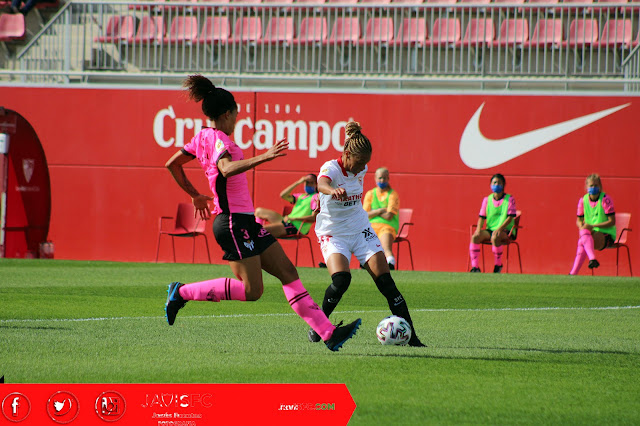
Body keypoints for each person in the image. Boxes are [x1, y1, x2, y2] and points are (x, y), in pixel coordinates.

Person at [163, 74, 361, 352]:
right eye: (235, 116)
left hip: (243, 221)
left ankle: (328, 333)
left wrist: (195, 195)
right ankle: (180, 292)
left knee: (288, 271)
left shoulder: (201, 138)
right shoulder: (220, 140)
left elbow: (172, 164)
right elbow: (226, 169)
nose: (236, 121)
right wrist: (265, 156)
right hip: (232, 222)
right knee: (252, 291)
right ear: (226, 114)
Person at [307, 121, 425, 347]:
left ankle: (412, 338)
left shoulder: (360, 167)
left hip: (360, 229)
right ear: (347, 154)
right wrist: (332, 191)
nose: (362, 168)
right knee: (341, 280)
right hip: (334, 233)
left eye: (366, 163)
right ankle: (318, 325)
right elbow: (322, 183)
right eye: (359, 162)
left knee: (386, 282)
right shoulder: (331, 168)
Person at [469, 173, 517, 273]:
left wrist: (499, 229)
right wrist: (478, 230)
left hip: (505, 231)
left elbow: (510, 217)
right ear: (490, 184)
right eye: (494, 183)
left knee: (495, 237)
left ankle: (498, 265)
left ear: (503, 185)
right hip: (490, 230)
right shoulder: (487, 199)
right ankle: (475, 268)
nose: (496, 185)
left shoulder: (510, 199)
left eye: (499, 183)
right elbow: (481, 217)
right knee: (475, 237)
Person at [569, 173, 616, 275]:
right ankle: (589, 262)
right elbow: (578, 220)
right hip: (589, 234)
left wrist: (593, 226)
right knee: (583, 235)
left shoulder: (605, 200)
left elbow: (612, 221)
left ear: (600, 186)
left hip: (606, 235)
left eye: (595, 185)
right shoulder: (583, 200)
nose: (593, 188)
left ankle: (575, 271)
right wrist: (581, 226)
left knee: (583, 238)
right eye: (591, 186)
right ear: (586, 187)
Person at [254, 174, 319, 238]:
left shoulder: (315, 197)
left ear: (316, 184)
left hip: (296, 227)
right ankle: (259, 235)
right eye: (307, 182)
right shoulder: (300, 196)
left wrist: (294, 219)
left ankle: (259, 236)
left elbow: (313, 218)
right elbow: (283, 195)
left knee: (260, 231)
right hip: (287, 221)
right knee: (259, 211)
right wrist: (298, 182)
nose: (309, 184)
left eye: (311, 183)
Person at [363, 167, 399, 270]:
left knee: (385, 247)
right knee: (361, 243)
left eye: (384, 178)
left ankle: (390, 263)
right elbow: (365, 214)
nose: (382, 180)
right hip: (371, 226)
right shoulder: (370, 194)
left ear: (388, 178)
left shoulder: (393, 194)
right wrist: (380, 210)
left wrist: (374, 211)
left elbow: (389, 216)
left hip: (387, 226)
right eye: (380, 178)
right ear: (375, 178)